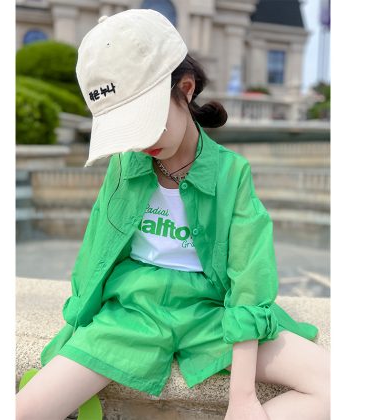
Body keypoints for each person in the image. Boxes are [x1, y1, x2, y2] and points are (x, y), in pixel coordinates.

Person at [16, 9, 330, 420]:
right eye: (124, 127)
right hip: (131, 312)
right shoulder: (125, 165)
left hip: (212, 313)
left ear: (185, 88)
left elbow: (249, 280)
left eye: (144, 121)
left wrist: (242, 398)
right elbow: (96, 252)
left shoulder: (231, 173)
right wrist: (72, 335)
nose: (138, 141)